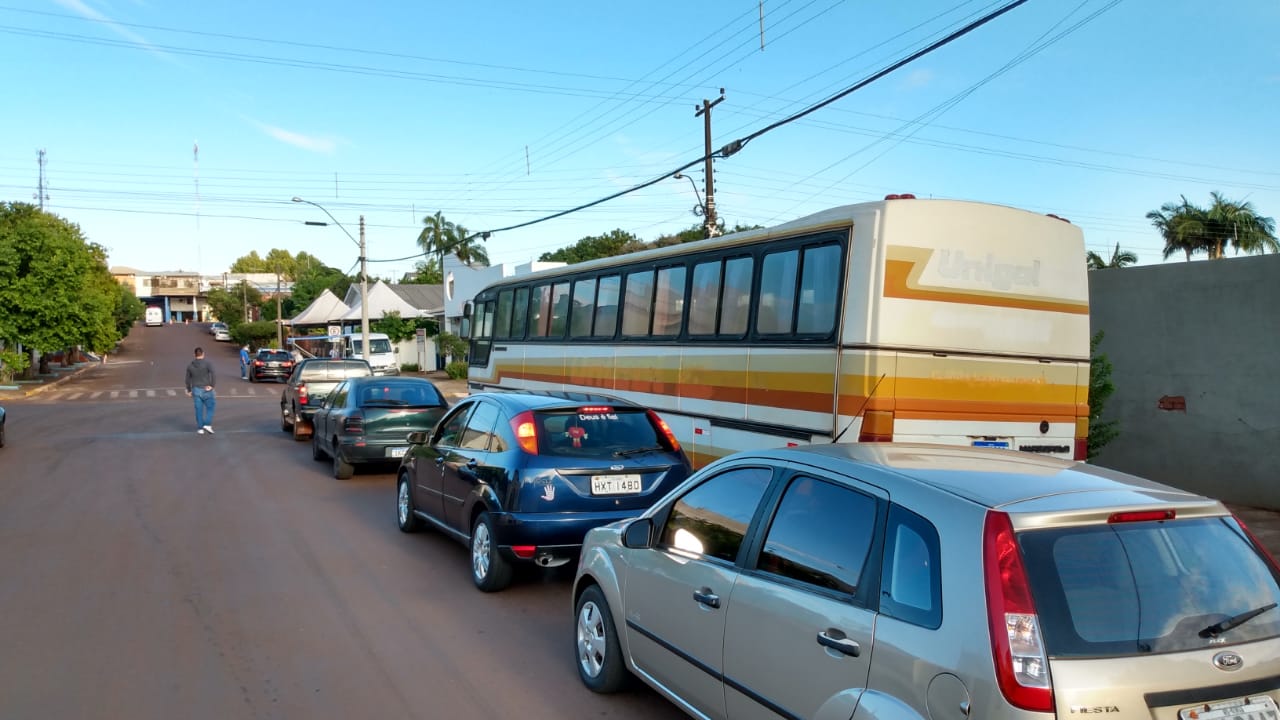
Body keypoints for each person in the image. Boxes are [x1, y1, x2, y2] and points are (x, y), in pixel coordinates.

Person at [184, 346, 217, 434]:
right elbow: (213, 374)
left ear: (194, 355)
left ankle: (200, 428)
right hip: (206, 389)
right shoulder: (207, 363)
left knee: (199, 409)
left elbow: (187, 379)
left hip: (196, 389)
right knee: (211, 407)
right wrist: (212, 385)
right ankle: (207, 424)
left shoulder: (190, 366)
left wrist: (189, 390)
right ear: (203, 354)